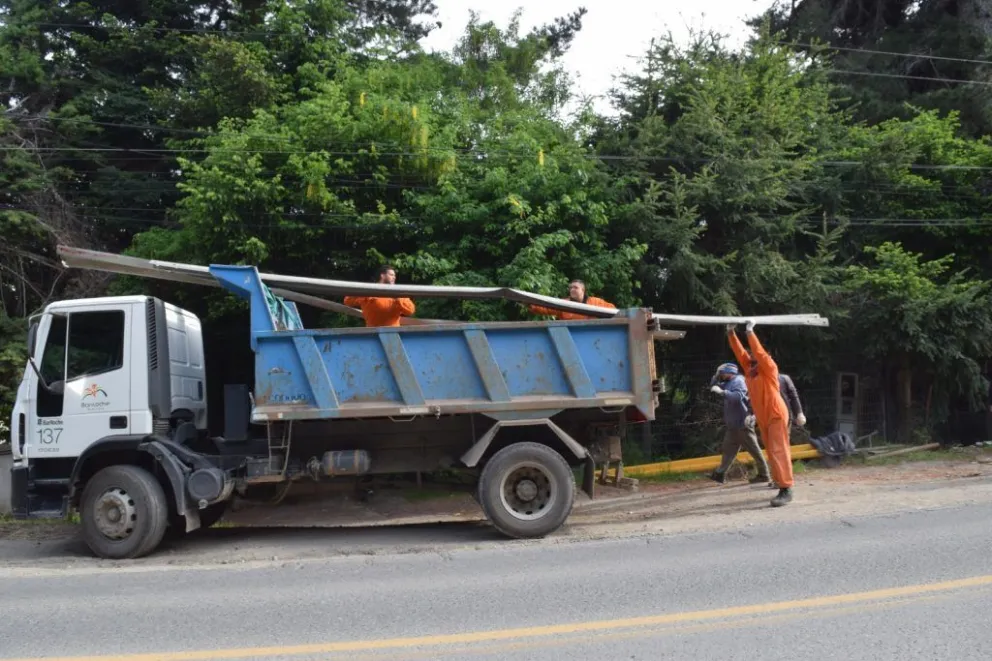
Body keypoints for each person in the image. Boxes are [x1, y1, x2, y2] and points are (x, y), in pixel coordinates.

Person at [727, 320, 794, 507]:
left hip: (776, 414)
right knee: (772, 451)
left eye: (755, 357)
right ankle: (779, 482)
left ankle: (786, 488)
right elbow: (740, 354)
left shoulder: (769, 369)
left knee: (779, 451)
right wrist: (731, 333)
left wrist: (749, 332)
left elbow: (760, 354)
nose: (751, 359)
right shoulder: (750, 371)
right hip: (763, 416)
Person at [707, 362, 771, 485]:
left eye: (721, 372)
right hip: (733, 426)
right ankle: (720, 474)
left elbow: (737, 397)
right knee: (728, 450)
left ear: (729, 372)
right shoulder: (729, 382)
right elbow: (713, 387)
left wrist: (722, 392)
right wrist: (715, 379)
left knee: (754, 450)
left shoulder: (739, 381)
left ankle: (764, 474)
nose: (720, 375)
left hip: (743, 424)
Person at [343, 265, 416, 328]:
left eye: (394, 275)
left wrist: (397, 297)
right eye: (391, 275)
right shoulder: (369, 291)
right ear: (382, 275)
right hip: (372, 334)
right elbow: (347, 301)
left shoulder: (398, 293)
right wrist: (365, 293)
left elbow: (410, 311)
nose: (394, 277)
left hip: (394, 333)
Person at [527, 279, 616, 321]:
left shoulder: (595, 302)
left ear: (583, 290)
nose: (572, 289)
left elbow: (612, 310)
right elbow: (547, 308)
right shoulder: (563, 304)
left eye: (575, 287)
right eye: (570, 288)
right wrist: (530, 305)